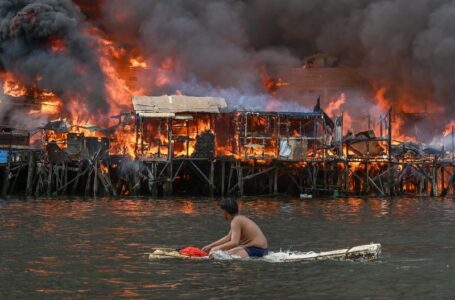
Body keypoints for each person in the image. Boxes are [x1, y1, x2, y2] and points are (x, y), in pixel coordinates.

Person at [202, 198, 268, 258]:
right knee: (221, 253)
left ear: (225, 212)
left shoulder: (236, 221)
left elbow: (234, 242)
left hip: (256, 249)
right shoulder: (238, 219)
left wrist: (215, 249)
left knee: (219, 256)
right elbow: (228, 238)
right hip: (262, 250)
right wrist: (210, 246)